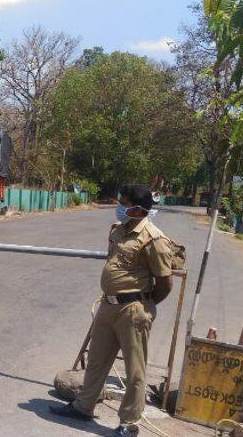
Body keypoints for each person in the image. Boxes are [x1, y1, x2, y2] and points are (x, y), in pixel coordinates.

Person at [50, 184, 174, 437]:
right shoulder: (118, 231)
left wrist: (142, 306)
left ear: (138, 210)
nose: (119, 207)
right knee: (97, 360)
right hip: (108, 305)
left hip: (133, 310)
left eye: (124, 203)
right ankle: (84, 406)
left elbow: (165, 283)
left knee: (134, 370)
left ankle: (129, 423)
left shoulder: (154, 238)